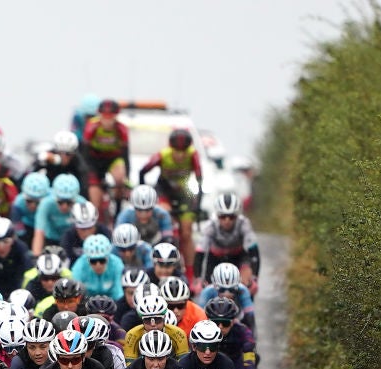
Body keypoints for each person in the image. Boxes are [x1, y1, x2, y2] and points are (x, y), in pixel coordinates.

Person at [138, 128, 203, 282]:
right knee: (166, 213)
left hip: (185, 192)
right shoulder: (163, 155)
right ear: (171, 148)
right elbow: (143, 171)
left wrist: (197, 205)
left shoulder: (193, 154)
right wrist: (143, 189)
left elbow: (200, 178)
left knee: (187, 233)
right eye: (176, 151)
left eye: (183, 151)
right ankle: (168, 243)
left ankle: (190, 274)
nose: (180, 155)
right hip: (164, 191)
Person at [194, 191, 261, 297]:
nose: (227, 220)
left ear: (237, 216)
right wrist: (198, 280)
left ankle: (247, 310)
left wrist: (254, 278)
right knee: (208, 291)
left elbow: (254, 252)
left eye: (231, 217)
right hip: (215, 259)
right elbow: (200, 254)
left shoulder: (244, 224)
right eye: (223, 216)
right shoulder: (210, 226)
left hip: (238, 257)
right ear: (217, 215)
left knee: (247, 286)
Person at [80, 99, 130, 222]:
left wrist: (126, 178)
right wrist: (88, 174)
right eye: (104, 117)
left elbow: (125, 155)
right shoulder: (92, 127)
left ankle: (118, 208)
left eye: (111, 117)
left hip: (112, 159)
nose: (107, 121)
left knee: (119, 177)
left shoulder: (121, 129)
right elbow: (84, 153)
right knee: (95, 201)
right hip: (94, 161)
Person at [122, 294, 189, 363]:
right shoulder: (132, 335)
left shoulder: (178, 333)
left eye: (157, 319)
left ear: (164, 318)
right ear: (142, 320)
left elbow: (183, 365)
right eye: (147, 320)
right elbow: (130, 367)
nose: (153, 324)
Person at [0, 217, 34, 299]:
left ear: (13, 239)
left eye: (6, 241)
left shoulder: (21, 250)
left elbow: (29, 276)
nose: (1, 247)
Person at [31, 174, 85, 255]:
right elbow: (39, 233)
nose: (64, 206)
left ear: (75, 198)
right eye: (60, 202)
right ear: (55, 197)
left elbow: (88, 231)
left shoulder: (82, 204)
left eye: (69, 202)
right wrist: (36, 256)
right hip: (52, 240)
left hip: (73, 241)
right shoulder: (46, 204)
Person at [197, 262, 256, 336]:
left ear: (237, 286)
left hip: (237, 322)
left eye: (231, 290)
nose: (227, 294)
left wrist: (251, 338)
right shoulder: (207, 292)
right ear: (215, 286)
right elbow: (199, 320)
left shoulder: (243, 290)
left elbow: (250, 317)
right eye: (222, 289)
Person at [29, 130, 88, 195]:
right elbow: (31, 175)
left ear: (73, 154)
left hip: (70, 196)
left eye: (68, 154)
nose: (64, 157)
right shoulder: (48, 157)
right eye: (60, 153)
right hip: (49, 193)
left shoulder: (78, 163)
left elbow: (84, 186)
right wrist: (41, 162)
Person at [70, 234, 124, 301]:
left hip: (112, 301)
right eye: (93, 261)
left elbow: (119, 292)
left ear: (108, 258)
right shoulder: (79, 267)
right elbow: (76, 293)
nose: (98, 265)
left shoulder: (117, 264)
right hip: (86, 302)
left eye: (102, 260)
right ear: (87, 259)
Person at [10, 172, 50, 247]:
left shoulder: (51, 199)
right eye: (29, 201)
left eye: (38, 202)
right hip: (27, 227)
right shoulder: (18, 203)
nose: (33, 205)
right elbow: (17, 227)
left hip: (47, 227)